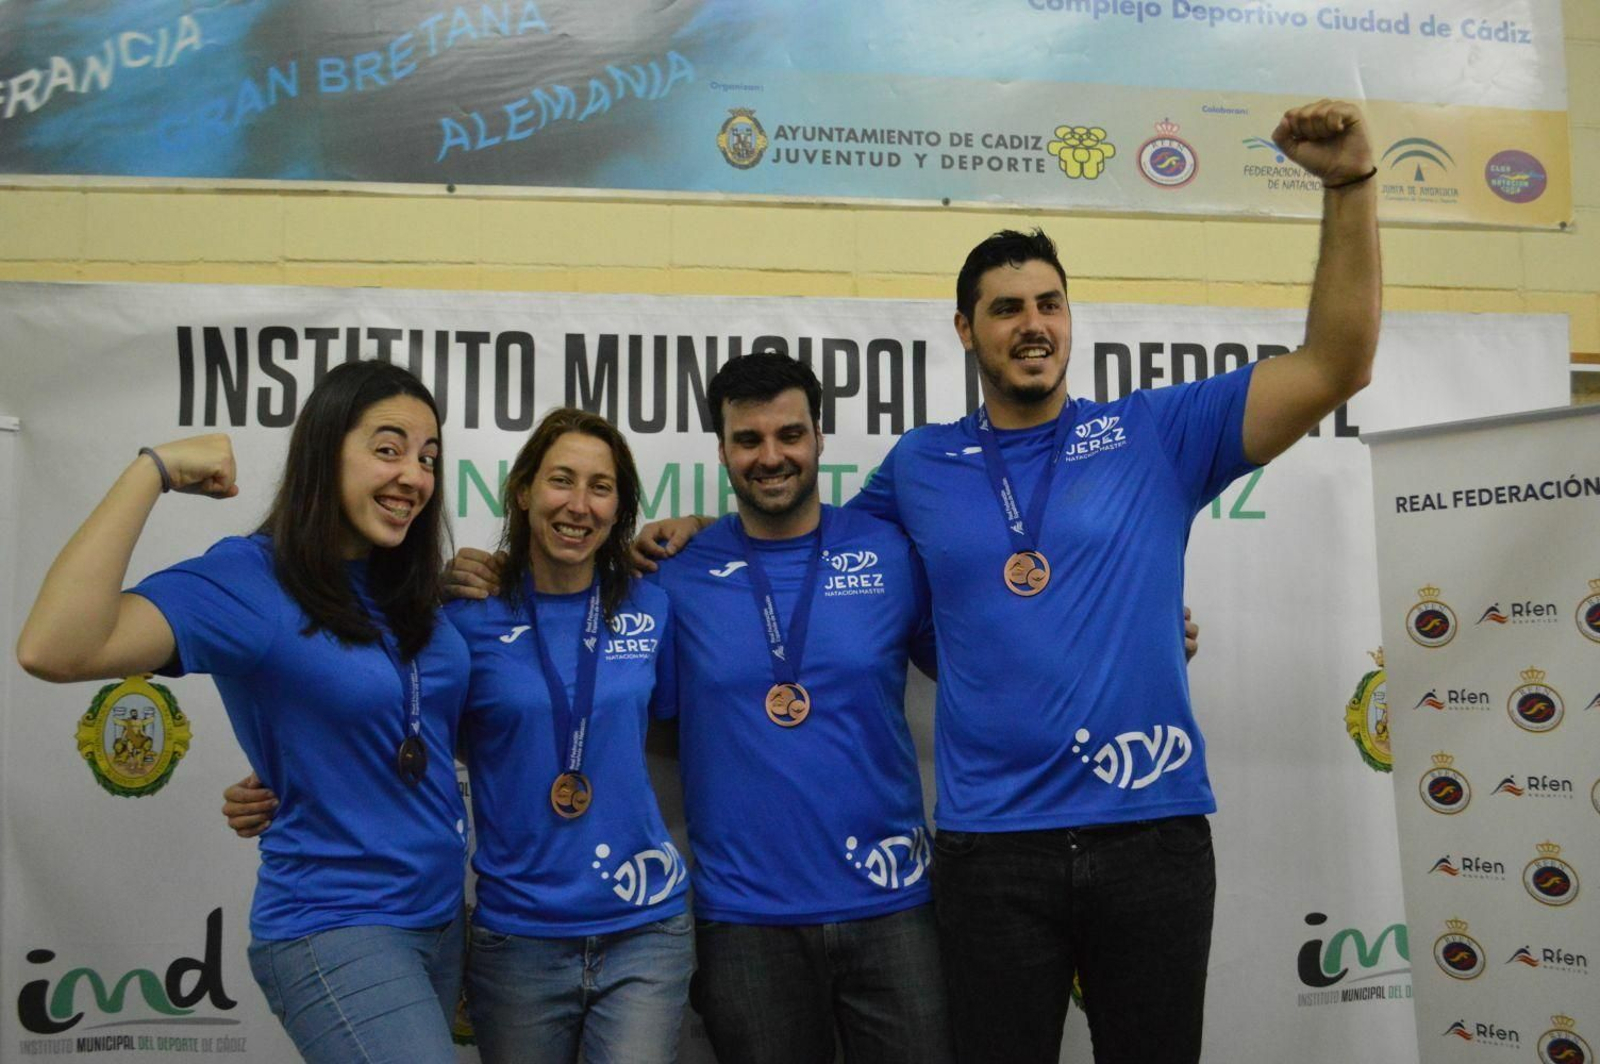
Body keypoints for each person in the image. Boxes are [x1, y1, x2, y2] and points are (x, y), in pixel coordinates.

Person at [635, 99, 1381, 1063]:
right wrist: (702, 535)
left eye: (1049, 303)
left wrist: (1350, 186)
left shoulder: (1156, 433)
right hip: (993, 856)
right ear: (965, 328)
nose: (1032, 325)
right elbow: (802, 537)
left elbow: (1336, 361)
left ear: (1069, 316)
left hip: (1148, 831)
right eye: (1006, 308)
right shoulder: (919, 465)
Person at [17, 361, 473, 1063]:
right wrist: (153, 471)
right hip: (338, 926)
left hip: (440, 922)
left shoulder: (410, 592)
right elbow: (54, 647)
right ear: (324, 452)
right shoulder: (251, 580)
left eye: (428, 458)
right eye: (387, 449)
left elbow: (399, 724)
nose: (413, 475)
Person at [226, 407, 693, 1064]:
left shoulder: (652, 605)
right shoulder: (461, 618)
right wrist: (281, 778)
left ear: (621, 507)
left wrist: (697, 526)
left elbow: (689, 733)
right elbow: (396, 728)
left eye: (602, 487)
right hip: (519, 936)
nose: (579, 505)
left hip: (645, 926)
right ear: (524, 490)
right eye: (562, 480)